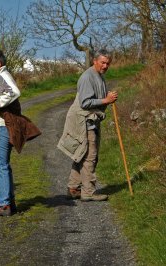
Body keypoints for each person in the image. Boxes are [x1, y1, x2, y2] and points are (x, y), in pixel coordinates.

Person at [0, 49, 41, 217]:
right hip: (2, 125)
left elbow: (14, 92)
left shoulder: (2, 76)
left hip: (2, 126)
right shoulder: (0, 76)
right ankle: (9, 202)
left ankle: (4, 204)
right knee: (3, 165)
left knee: (0, 165)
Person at [57, 49, 118, 201]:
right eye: (103, 62)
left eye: (107, 63)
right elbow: (85, 103)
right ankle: (88, 192)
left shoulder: (98, 76)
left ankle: (73, 188)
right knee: (90, 156)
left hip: (90, 120)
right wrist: (106, 100)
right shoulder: (87, 77)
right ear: (94, 61)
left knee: (82, 154)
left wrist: (106, 97)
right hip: (83, 120)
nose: (105, 66)